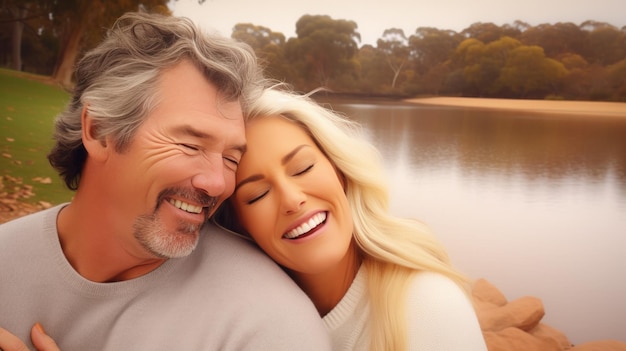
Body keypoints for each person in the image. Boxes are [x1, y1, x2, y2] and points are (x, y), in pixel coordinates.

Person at [0, 12, 331, 351]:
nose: (217, 184)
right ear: (99, 132)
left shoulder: (268, 326)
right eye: (190, 145)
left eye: (231, 159)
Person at [214, 87, 489, 351]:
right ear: (239, 223)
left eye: (303, 168)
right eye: (257, 194)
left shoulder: (430, 305)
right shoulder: (246, 326)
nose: (291, 200)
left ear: (340, 171)